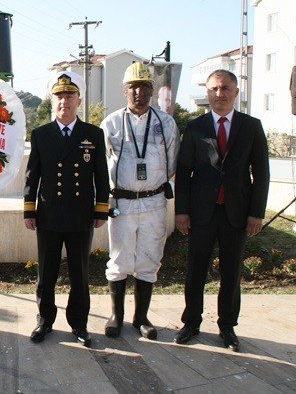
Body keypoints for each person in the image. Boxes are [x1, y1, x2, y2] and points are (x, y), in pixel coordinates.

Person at [174, 69, 270, 352]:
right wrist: (182, 212)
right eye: (214, 88)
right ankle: (191, 322)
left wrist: (256, 213)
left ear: (236, 92)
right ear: (208, 92)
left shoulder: (252, 127)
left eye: (225, 88)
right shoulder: (195, 127)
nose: (219, 93)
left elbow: (261, 173)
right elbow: (184, 171)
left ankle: (227, 326)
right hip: (202, 214)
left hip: (236, 214)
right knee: (196, 271)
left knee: (231, 272)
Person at [24, 71, 110, 347]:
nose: (65, 101)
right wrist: (29, 210)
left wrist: (100, 211)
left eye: (70, 95)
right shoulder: (41, 134)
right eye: (59, 96)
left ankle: (79, 324)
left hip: (80, 216)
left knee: (79, 275)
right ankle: (44, 320)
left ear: (79, 100)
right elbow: (32, 176)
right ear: (53, 100)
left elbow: (101, 176)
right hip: (49, 216)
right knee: (46, 274)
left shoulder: (93, 134)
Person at [100, 62, 180, 340]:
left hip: (154, 203)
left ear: (152, 89)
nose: (138, 92)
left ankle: (141, 317)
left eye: (144, 86)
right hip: (122, 203)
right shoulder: (110, 123)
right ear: (125, 91)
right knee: (119, 259)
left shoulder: (166, 123)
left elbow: (172, 162)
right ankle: (116, 316)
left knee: (149, 259)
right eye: (133, 87)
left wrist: (151, 185)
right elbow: (103, 165)